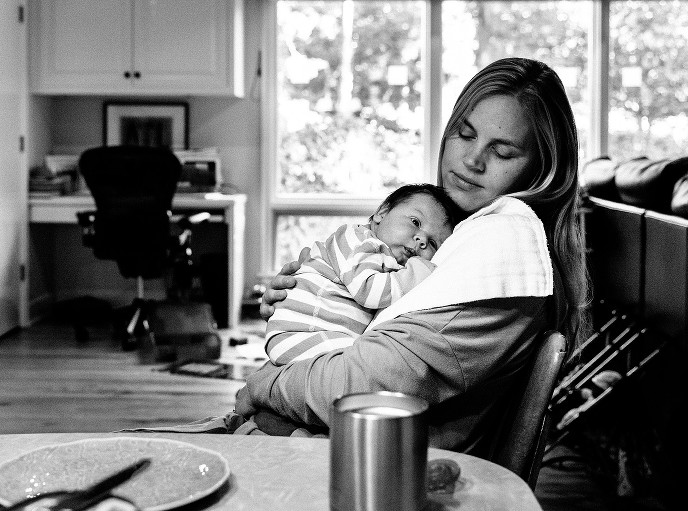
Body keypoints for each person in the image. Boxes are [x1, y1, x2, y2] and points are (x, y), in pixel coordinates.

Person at [233, 57, 591, 454]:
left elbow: (358, 387)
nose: (472, 160)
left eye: (502, 152)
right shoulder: (461, 238)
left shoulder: (504, 252)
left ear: (542, 171)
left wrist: (263, 383)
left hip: (378, 471)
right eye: (464, 134)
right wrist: (309, 303)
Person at [265, 184, 462, 366]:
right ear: (382, 213)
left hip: (316, 335)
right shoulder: (357, 240)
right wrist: (419, 272)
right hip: (301, 332)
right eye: (415, 222)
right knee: (365, 362)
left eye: (433, 243)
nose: (421, 240)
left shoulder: (386, 261)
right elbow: (369, 291)